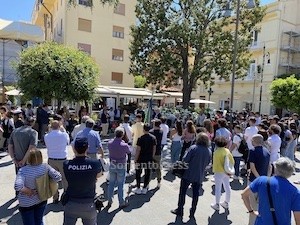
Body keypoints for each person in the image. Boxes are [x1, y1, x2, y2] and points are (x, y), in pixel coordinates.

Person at [241, 157, 300, 225]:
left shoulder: (261, 181)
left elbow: (244, 195)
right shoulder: (295, 192)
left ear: (275, 168)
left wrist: (251, 211)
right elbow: (298, 218)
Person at [14, 149, 61, 225]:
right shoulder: (46, 167)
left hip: (26, 203)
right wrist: (48, 182)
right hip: (41, 198)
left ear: (28, 158)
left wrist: (29, 191)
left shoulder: (23, 170)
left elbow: (18, 186)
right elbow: (58, 177)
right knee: (39, 221)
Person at [63, 137, 102, 225]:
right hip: (89, 204)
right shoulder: (95, 163)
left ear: (74, 148)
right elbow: (99, 175)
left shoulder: (66, 164)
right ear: (87, 147)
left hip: (71, 203)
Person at [171, 132, 211, 218]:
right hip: (199, 175)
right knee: (195, 194)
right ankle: (192, 212)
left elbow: (185, 160)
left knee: (183, 192)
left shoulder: (193, 148)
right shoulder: (209, 151)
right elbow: (208, 163)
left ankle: (180, 209)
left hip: (188, 174)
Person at [247, 134, 271, 225]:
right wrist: (266, 178)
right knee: (261, 204)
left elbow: (252, 167)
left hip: (254, 180)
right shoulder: (267, 151)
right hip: (264, 181)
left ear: (254, 141)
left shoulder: (252, 151)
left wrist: (259, 179)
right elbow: (269, 167)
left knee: (252, 206)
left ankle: (252, 223)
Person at [44, 120, 70, 204]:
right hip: (62, 158)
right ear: (60, 126)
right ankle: (66, 195)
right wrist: (63, 130)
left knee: (53, 179)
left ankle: (55, 197)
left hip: (52, 159)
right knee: (65, 179)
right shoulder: (64, 135)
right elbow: (68, 142)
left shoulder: (47, 136)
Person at [107, 127, 131, 209]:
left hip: (113, 164)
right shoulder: (124, 145)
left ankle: (109, 200)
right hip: (121, 164)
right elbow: (129, 152)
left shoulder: (110, 143)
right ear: (122, 135)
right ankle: (121, 202)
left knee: (111, 183)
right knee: (120, 184)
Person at [211, 136, 234, 211]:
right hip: (226, 172)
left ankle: (217, 204)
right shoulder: (227, 151)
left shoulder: (216, 152)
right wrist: (229, 171)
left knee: (218, 188)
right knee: (227, 187)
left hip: (218, 172)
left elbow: (215, 163)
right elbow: (232, 161)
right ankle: (226, 202)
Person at [133, 124, 156, 195]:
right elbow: (154, 149)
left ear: (143, 129)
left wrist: (135, 159)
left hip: (140, 158)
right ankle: (145, 187)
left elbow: (138, 150)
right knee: (147, 173)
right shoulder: (153, 138)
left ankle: (138, 187)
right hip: (148, 158)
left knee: (138, 173)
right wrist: (152, 156)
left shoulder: (140, 138)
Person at [150, 119, 163, 188]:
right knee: (158, 167)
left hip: (150, 151)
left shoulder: (151, 132)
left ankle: (147, 182)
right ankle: (159, 181)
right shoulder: (161, 132)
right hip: (158, 151)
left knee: (149, 167)